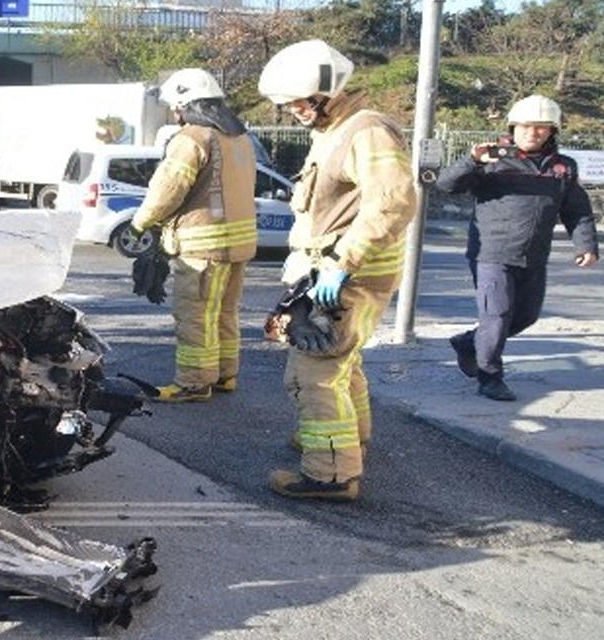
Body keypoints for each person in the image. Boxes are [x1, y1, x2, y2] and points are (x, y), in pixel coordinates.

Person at [256, 39, 415, 501]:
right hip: (337, 272)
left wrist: (342, 264)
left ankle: (331, 473)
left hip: (348, 276)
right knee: (343, 364)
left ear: (324, 92)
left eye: (297, 103)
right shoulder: (337, 130)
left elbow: (394, 201)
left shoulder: (365, 130)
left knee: (315, 372)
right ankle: (350, 443)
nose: (292, 112)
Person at [436, 95, 599, 401]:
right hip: (491, 253)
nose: (532, 133)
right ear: (513, 127)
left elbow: (577, 210)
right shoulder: (492, 160)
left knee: (525, 316)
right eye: (525, 126)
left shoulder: (564, 168)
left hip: (534, 256)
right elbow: (446, 184)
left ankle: (469, 343)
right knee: (496, 316)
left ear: (552, 131)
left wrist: (586, 245)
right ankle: (490, 377)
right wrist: (471, 161)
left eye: (541, 128)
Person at [129, 68, 258, 403]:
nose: (175, 113)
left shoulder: (192, 138)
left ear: (186, 104)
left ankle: (194, 383)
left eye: (176, 106)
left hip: (203, 247)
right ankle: (225, 374)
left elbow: (167, 190)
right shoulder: (239, 137)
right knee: (225, 312)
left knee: (195, 315)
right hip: (239, 243)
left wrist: (140, 224)